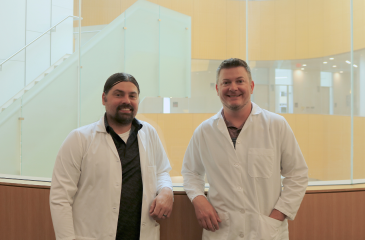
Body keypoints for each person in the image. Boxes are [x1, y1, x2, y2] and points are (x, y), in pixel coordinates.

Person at [181, 58, 308, 240]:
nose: (233, 88)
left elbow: (297, 174)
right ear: (217, 89)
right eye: (226, 82)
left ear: (251, 86)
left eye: (240, 81)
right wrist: (199, 199)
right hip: (222, 231)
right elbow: (190, 172)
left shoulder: (276, 125)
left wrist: (276, 216)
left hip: (265, 232)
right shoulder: (205, 131)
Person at [50, 73, 173, 240]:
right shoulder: (79, 139)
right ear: (104, 98)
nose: (126, 101)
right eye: (118, 94)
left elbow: (162, 171)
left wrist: (166, 191)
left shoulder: (149, 133)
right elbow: (60, 198)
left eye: (132, 95)